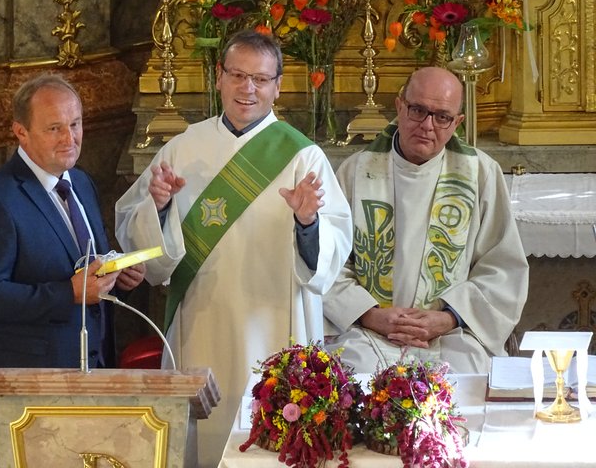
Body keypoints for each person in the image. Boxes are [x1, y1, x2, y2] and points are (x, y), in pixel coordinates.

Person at [115, 30, 352, 467]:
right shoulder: (183, 147)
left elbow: (333, 252)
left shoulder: (303, 157)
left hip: (276, 327)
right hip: (202, 319)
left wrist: (307, 222)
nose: (248, 89)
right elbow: (137, 235)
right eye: (238, 75)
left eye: (261, 79)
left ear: (278, 86)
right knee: (204, 442)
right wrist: (160, 207)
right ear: (219, 77)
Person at [0, 74, 146, 467]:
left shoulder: (81, 183)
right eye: (55, 128)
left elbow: (82, 269)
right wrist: (70, 293)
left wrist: (115, 280)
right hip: (21, 398)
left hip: (85, 384)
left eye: (75, 124)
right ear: (20, 132)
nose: (70, 138)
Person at [323, 67, 529, 375]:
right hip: (370, 333)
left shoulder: (480, 174)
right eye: (417, 110)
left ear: (457, 122)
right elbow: (330, 263)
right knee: (353, 374)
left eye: (442, 116)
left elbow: (502, 269)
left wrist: (447, 318)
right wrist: (369, 314)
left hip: (452, 333)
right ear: (399, 106)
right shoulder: (356, 172)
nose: (427, 125)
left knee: (469, 376)